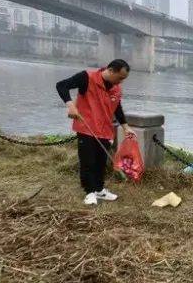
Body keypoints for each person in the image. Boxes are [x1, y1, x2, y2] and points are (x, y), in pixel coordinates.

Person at [56, 59, 135, 206]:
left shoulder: (116, 88)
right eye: (120, 77)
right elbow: (61, 85)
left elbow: (117, 108)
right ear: (110, 70)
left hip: (105, 129)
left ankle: (99, 189)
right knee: (88, 161)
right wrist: (70, 105)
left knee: (101, 161)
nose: (120, 82)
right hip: (87, 127)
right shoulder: (87, 77)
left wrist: (125, 126)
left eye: (123, 79)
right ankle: (89, 192)